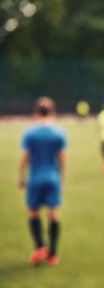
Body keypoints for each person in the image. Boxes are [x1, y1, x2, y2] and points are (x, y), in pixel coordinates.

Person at [19, 97, 67, 266]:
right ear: (52, 112)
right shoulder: (58, 132)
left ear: (36, 112)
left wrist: (21, 177)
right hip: (52, 177)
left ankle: (40, 246)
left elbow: (25, 158)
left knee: (33, 212)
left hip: (35, 178)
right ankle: (53, 253)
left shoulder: (30, 133)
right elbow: (62, 158)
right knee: (53, 214)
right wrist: (62, 177)